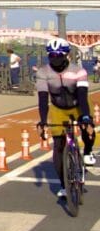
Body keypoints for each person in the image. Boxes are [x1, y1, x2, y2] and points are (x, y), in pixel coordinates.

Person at [35, 39, 96, 200]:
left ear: (67, 55)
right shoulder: (43, 73)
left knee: (88, 128)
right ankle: (64, 185)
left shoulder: (79, 71)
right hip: (58, 107)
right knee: (58, 147)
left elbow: (82, 96)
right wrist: (42, 121)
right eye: (52, 56)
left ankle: (88, 152)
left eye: (58, 56)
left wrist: (85, 118)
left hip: (78, 104)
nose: (55, 59)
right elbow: (42, 99)